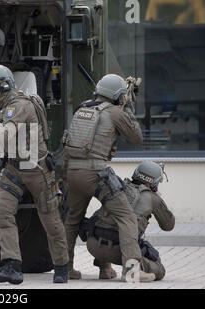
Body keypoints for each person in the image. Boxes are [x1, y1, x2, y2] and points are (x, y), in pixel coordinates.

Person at [0, 65, 69, 284]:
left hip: (35, 169)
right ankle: (12, 265)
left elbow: (4, 135)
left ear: (3, 84)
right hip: (13, 167)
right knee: (1, 211)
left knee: (50, 219)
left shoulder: (18, 105)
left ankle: (61, 266)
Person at [62, 74, 155, 282]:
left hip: (73, 172)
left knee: (72, 220)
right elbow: (136, 137)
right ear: (118, 95)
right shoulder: (115, 112)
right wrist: (128, 107)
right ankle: (131, 271)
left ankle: (65, 268)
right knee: (127, 217)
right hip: (96, 174)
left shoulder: (82, 108)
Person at [80, 161, 175, 281]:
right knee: (159, 270)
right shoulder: (153, 198)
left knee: (107, 224)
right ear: (154, 182)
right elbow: (168, 226)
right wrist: (159, 203)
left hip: (93, 244)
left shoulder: (118, 188)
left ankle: (105, 269)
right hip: (119, 252)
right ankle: (132, 272)